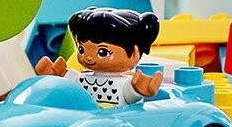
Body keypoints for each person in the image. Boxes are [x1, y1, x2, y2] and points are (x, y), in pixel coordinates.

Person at [35, 6, 163, 105]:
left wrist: (137, 90)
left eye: (103, 52)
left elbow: (128, 95)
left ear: (134, 52)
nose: (89, 57)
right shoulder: (83, 78)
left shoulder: (124, 83)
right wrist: (57, 74)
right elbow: (71, 84)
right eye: (81, 49)